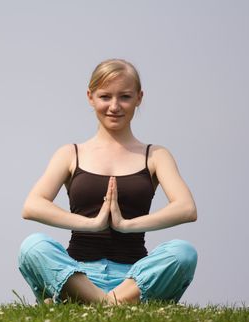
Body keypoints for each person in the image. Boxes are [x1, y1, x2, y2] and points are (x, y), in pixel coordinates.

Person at [18, 59, 198, 305]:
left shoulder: (156, 155)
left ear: (139, 98)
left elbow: (186, 208)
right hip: (78, 274)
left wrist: (126, 224)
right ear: (90, 97)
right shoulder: (70, 153)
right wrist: (91, 224)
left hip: (134, 278)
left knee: (184, 252)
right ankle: (111, 304)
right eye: (105, 97)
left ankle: (89, 303)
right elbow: (32, 206)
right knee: (32, 246)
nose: (114, 106)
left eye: (124, 96)